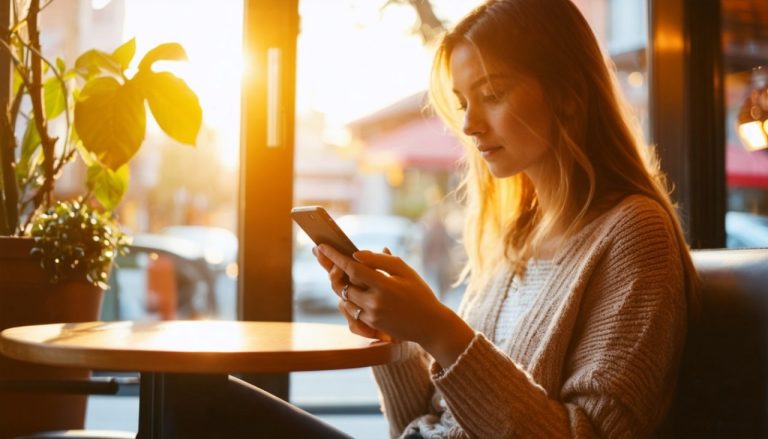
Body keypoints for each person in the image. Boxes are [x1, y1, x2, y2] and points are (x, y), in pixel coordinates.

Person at [313, 0, 699, 437]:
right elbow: (422, 425)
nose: (469, 125)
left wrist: (438, 330)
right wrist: (397, 339)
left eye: (492, 95)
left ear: (568, 96)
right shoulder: (516, 236)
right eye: (463, 103)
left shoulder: (635, 234)